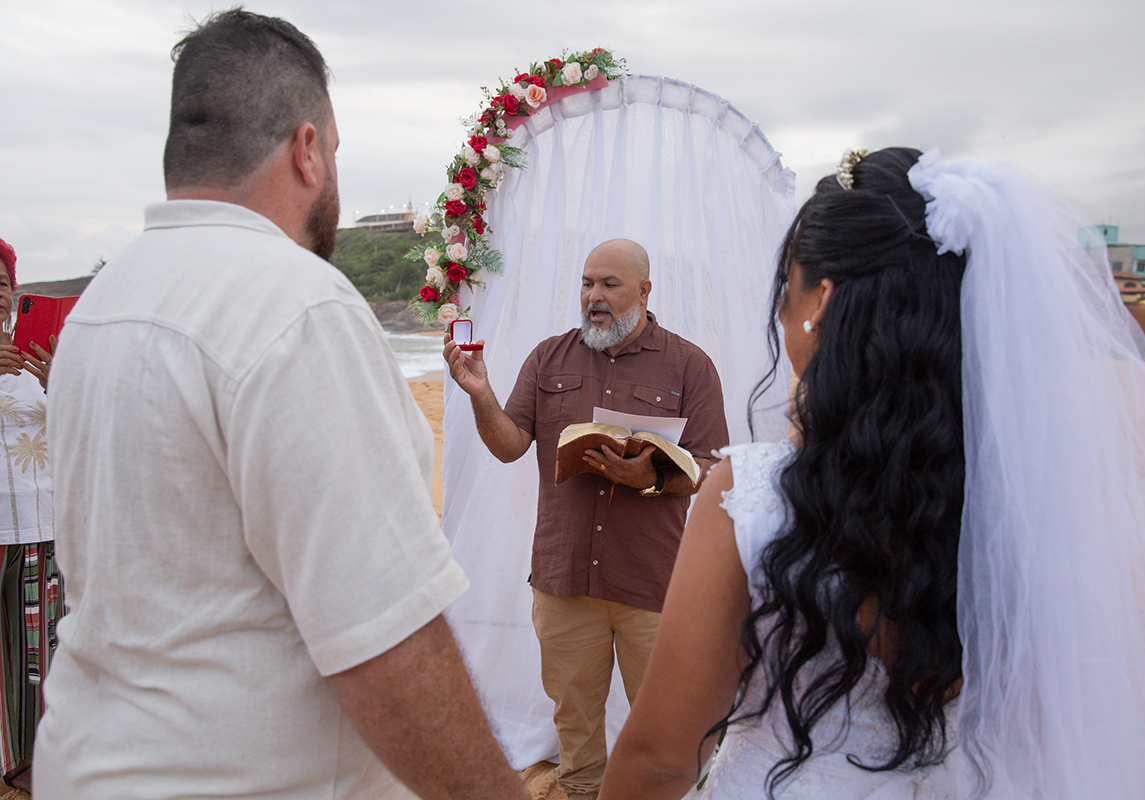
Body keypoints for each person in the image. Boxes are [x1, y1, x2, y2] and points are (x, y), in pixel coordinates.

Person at [598, 148, 1145, 799]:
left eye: (786, 288)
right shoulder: (1036, 504)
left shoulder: (755, 497)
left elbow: (661, 759)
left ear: (820, 303)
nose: (779, 312)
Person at [33, 11, 528, 800]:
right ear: (306, 150)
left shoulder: (105, 301)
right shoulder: (294, 304)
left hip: (91, 760)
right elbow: (385, 640)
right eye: (334, 152)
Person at [444, 238, 729, 800]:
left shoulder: (690, 364)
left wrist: (646, 477)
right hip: (564, 576)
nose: (593, 297)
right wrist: (480, 395)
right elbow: (508, 446)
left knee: (673, 728)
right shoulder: (548, 357)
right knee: (574, 729)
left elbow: (710, 466)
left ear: (644, 291)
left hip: (651, 581)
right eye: (586, 283)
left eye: (609, 285)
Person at [0, 237, 59, 793]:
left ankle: (29, 761)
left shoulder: (36, 365)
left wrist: (63, 384)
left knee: (36, 653)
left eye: (0, 284)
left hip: (41, 529)